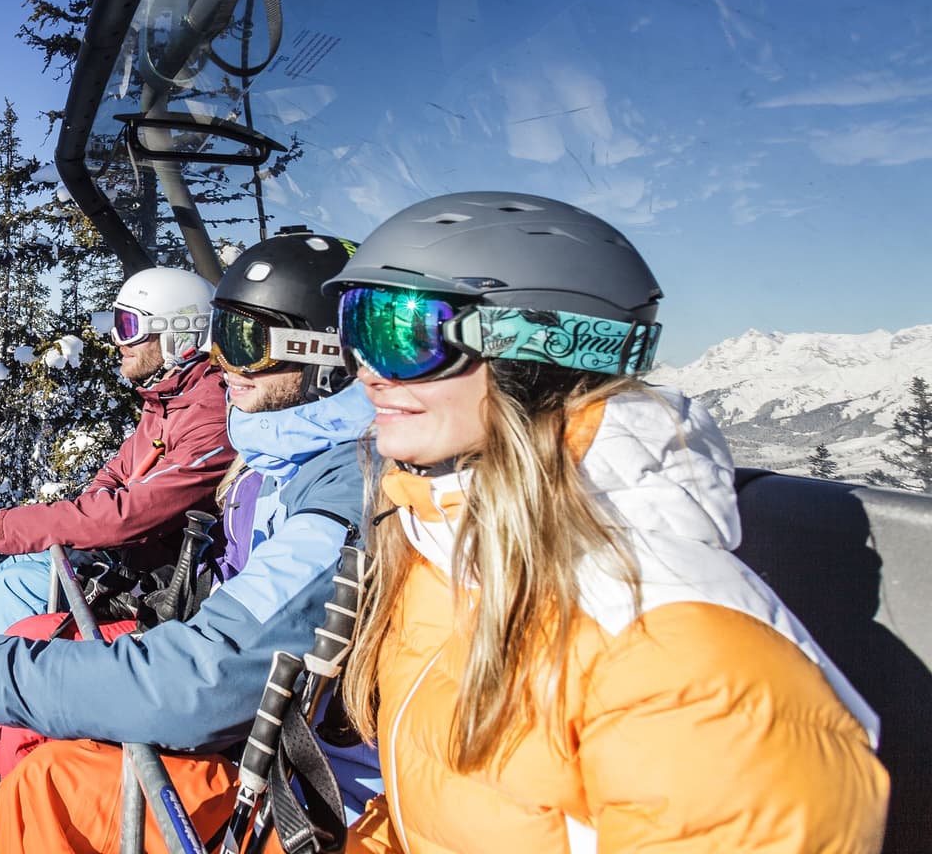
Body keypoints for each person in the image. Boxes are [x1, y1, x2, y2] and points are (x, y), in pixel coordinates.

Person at [323, 191, 888, 853]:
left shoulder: (683, 665)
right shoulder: (440, 547)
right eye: (355, 327)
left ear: (534, 346)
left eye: (400, 333)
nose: (364, 370)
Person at [0, 231, 381, 854]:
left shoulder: (338, 487)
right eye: (219, 335)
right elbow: (155, 514)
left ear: (321, 355)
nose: (222, 364)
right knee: (33, 642)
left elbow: (207, 671)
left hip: (287, 763)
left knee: (52, 786)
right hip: (234, 692)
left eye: (240, 342)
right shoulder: (270, 446)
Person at [0, 266, 231, 640]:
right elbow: (117, 474)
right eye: (117, 324)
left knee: (20, 583)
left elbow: (131, 513)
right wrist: (93, 537)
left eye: (130, 326)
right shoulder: (170, 400)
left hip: (170, 593)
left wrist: (4, 530)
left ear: (181, 333)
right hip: (137, 564)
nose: (118, 340)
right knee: (15, 572)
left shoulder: (211, 415)